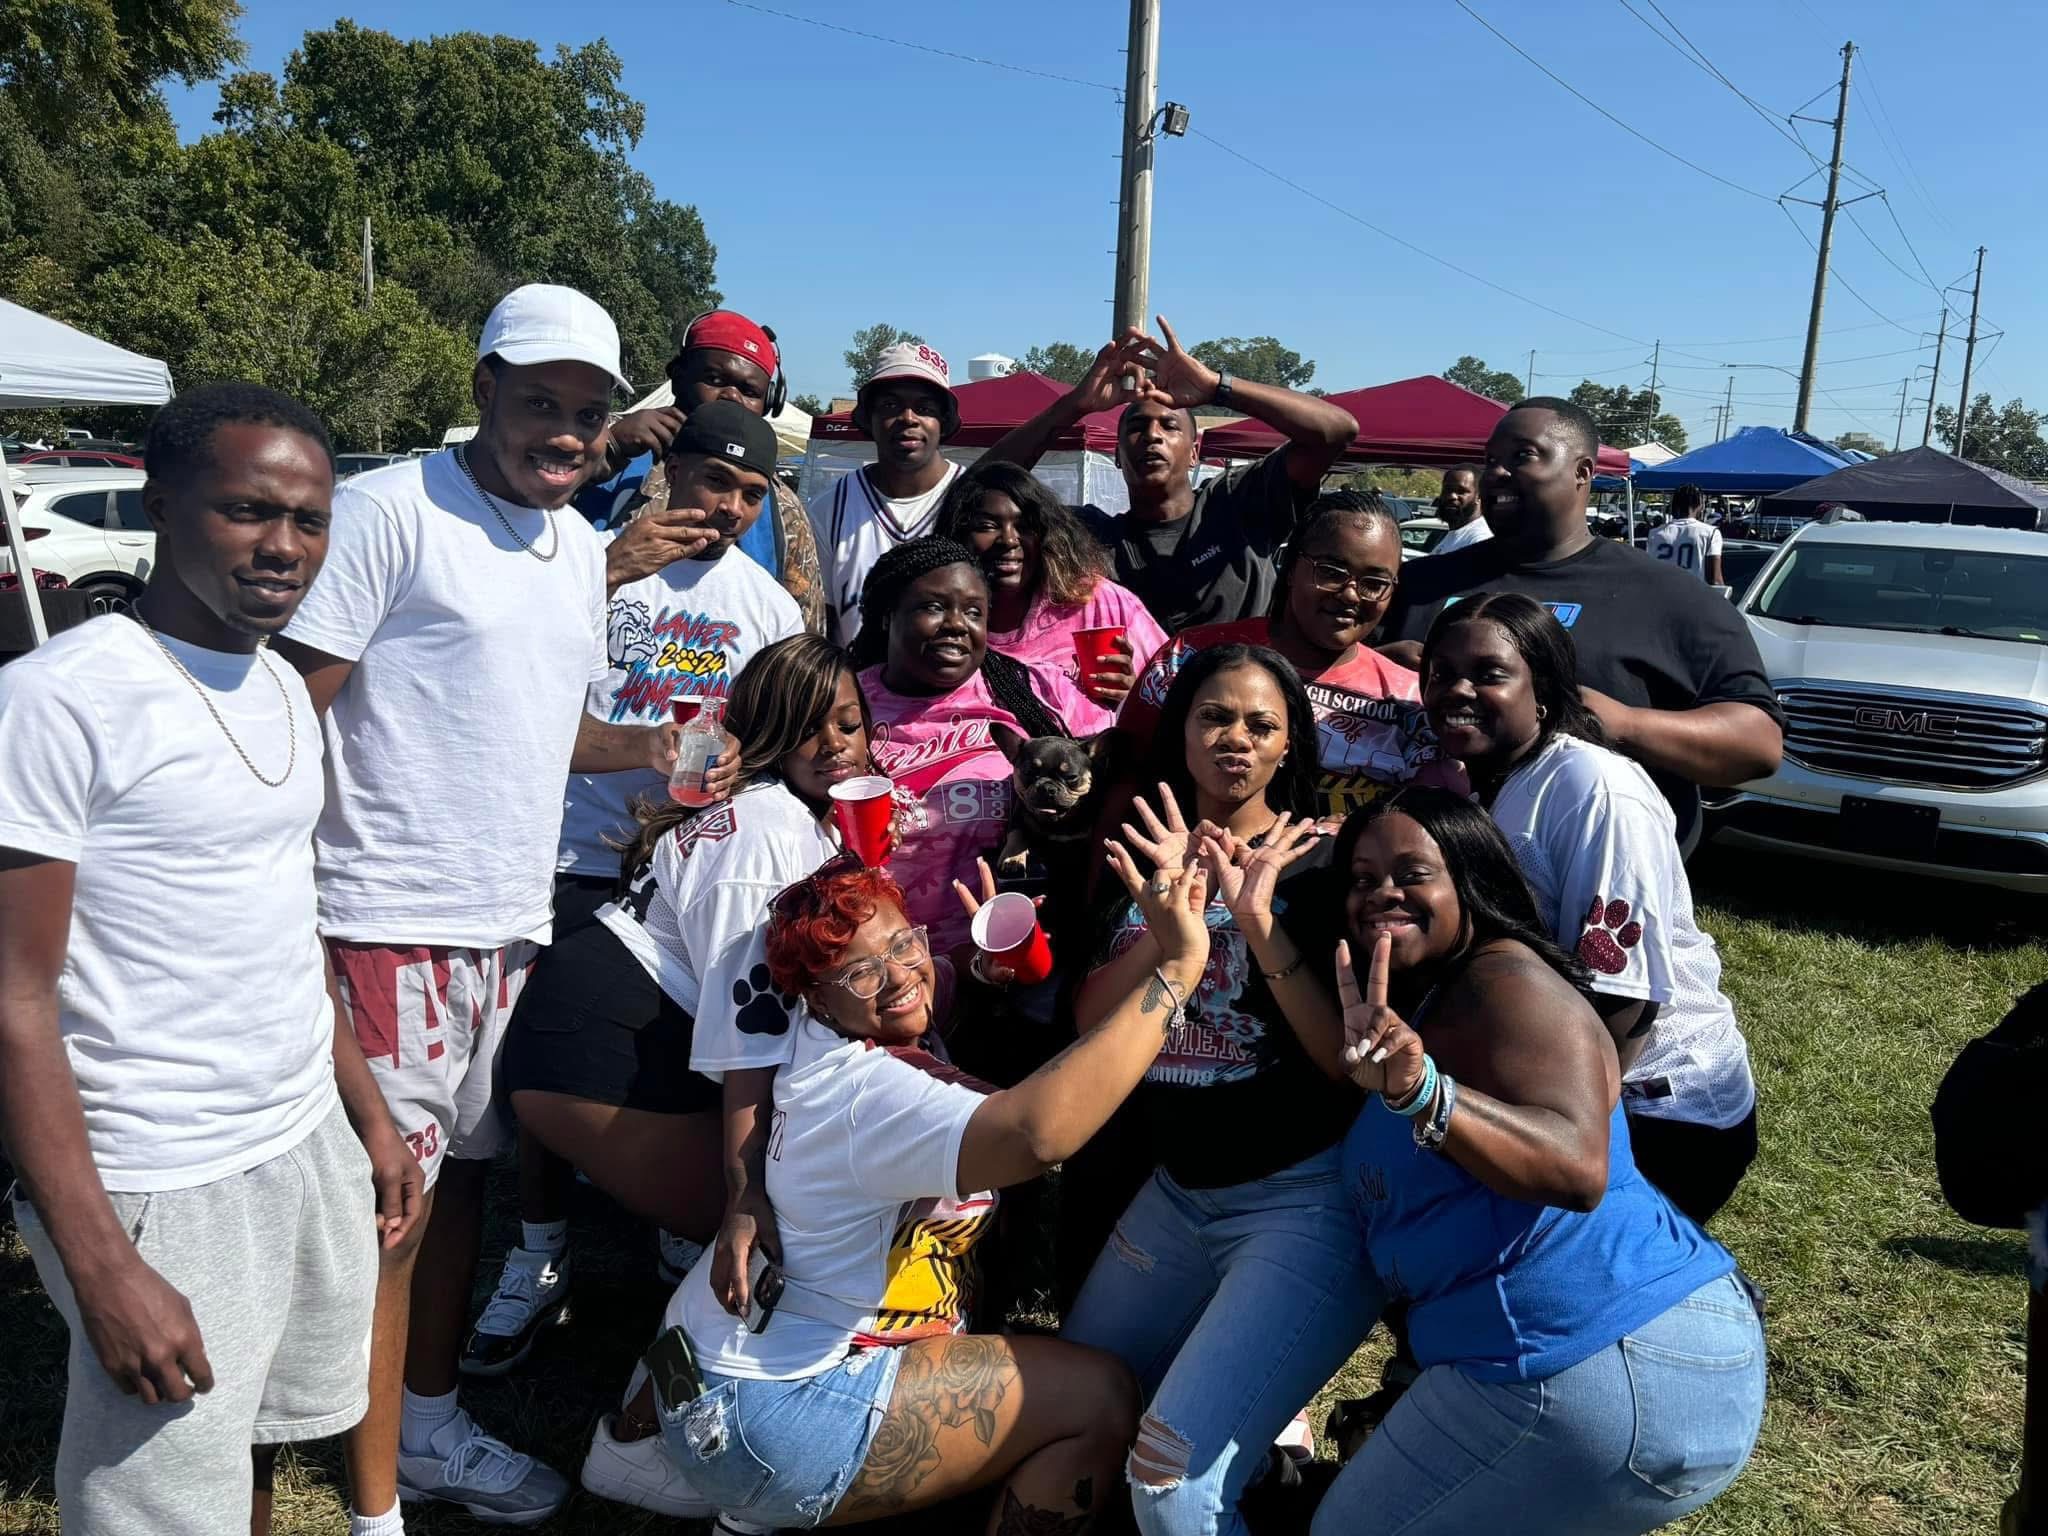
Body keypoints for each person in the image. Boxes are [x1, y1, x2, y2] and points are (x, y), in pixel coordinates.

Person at [275, 284, 670, 1529]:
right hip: (384, 916)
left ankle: (428, 1420)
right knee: (389, 1215)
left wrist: (669, 749)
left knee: (458, 1196)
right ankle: (374, 1502)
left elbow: (544, 732)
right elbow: (289, 711)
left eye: (587, 411)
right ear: (483, 383)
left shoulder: (570, 550)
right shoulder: (390, 512)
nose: (562, 430)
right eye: (539, 399)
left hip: (507, 924)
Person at [0, 384, 417, 1535]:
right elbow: (13, 999)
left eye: (310, 518)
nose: (284, 547)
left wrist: (367, 1121)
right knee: (156, 1500)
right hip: (159, 1173)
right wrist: (102, 1265)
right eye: (246, 511)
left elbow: (287, 925)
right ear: (162, 504)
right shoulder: (55, 704)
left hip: (296, 1138)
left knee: (262, 1448)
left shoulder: (283, 683)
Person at [628, 852, 1215, 1533]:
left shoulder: (817, 1041)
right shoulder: (866, 1097)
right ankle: (771, 1498)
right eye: (861, 971)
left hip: (700, 1369)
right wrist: (1177, 971)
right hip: (765, 1416)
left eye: (904, 943)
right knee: (1101, 1399)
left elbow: (920, 990)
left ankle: (761, 1504)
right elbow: (1038, 1135)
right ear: (816, 997)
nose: (900, 975)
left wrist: (977, 970)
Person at [1311, 788, 1765, 1535]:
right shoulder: (1437, 999)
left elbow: (1576, 1167)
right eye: (1361, 878)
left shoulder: (1508, 982)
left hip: (1602, 1360)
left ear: (1471, 878)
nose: (1382, 892)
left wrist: (1425, 1093)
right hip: (1616, 1363)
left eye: (1411, 872)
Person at [461, 401, 802, 1376]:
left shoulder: (766, 605)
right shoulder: (590, 567)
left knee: (681, 1053)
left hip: (688, 863)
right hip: (568, 854)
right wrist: (604, 573)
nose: (729, 506)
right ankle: (537, 1250)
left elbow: (773, 733)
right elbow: (507, 700)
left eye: (748, 492)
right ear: (672, 472)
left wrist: (746, 769)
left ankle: (670, 1224)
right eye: (712, 482)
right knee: (532, 1073)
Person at [1059, 644, 1379, 1536]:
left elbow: (1341, 1064)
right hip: (1175, 1194)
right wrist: (1170, 931)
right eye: (1214, 716)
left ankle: (1270, 1430)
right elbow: (1090, 1023)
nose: (1235, 738)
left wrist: (1259, 923)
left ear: (1289, 748)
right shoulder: (1145, 850)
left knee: (1171, 1484)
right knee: (1074, 1398)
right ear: (1182, 731)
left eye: (1261, 724)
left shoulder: (1321, 864)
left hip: (1299, 1203)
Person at [1419, 593, 1757, 1223]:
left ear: (1543, 689)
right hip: (1556, 1082)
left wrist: (1569, 1135)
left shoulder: (1595, 791)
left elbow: (1624, 997)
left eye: (1489, 674)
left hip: (1653, 1109)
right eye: (1441, 673)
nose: (1457, 690)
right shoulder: (1492, 776)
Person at [1377, 398, 1782, 849]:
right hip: (1419, 880)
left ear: (1582, 472)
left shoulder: (1670, 597)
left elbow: (1758, 744)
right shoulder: (1419, 583)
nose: (1497, 473)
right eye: (1491, 460)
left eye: (1522, 456)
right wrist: (1375, 668)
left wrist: (1624, 724)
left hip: (1589, 886)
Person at [980, 320, 1359, 634]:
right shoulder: (1091, 537)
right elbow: (981, 489)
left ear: (1195, 452)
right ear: (1116, 453)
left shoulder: (1238, 504)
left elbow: (1335, 432)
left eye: (1169, 426)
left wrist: (1217, 387)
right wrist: (1074, 405)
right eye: (1137, 426)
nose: (1152, 435)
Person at [1119, 490, 1464, 820]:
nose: (1350, 594)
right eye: (1331, 572)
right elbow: (1122, 781)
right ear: (1290, 568)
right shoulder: (1187, 658)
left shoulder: (1410, 703)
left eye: (1374, 582)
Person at [848, 537, 1090, 956]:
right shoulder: (843, 702)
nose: (957, 624)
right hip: (881, 966)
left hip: (1013, 958)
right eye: (934, 607)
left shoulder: (1030, 690)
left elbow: (1120, 755)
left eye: (974, 612)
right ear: (888, 616)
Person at [590, 309, 826, 630]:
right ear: (678, 376)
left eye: (749, 391)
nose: (730, 397)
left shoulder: (779, 506)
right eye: (714, 380)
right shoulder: (600, 439)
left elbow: (802, 633)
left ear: (768, 402)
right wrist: (605, 453)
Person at [935, 459, 1167, 734]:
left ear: (1047, 533)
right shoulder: (937, 625)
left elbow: (1179, 697)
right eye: (988, 526)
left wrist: (1136, 696)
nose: (1009, 540)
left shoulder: (1098, 602)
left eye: (1025, 526)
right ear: (957, 535)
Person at [810, 341, 964, 643]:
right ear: (868, 418)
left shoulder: (973, 500)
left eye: (924, 408)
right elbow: (821, 628)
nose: (909, 418)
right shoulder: (829, 508)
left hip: (954, 690)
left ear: (943, 422)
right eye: (891, 405)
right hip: (855, 686)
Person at [1647, 483, 1724, 586]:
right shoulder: (1711, 533)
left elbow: (1649, 572)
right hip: (1695, 597)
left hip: (1662, 596)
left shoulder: (1654, 533)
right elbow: (1715, 581)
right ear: (1699, 505)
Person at [1428, 463, 1491, 555]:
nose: (1452, 496)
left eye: (1461, 491)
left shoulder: (1480, 539)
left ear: (1479, 496)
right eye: (1447, 490)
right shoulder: (1454, 535)